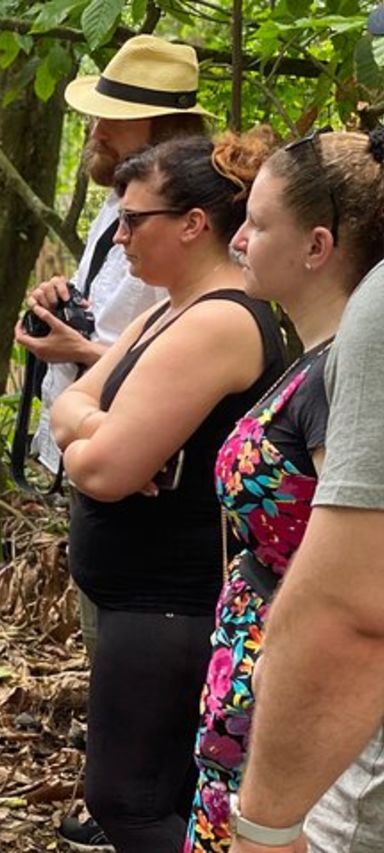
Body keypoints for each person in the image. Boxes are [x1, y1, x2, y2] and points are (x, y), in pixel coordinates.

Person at [52, 130, 285, 851]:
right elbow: (69, 404)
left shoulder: (218, 319)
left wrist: (96, 439)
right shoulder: (169, 308)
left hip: (169, 605)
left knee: (131, 801)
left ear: (192, 224)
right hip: (139, 598)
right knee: (151, 795)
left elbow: (103, 471)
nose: (119, 237)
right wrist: (101, 427)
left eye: (134, 221)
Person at [16, 36, 209, 850]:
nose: (94, 131)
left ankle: (146, 804)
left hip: (144, 501)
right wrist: (67, 306)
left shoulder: (194, 241)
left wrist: (82, 361)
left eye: (111, 119)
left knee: (147, 746)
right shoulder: (117, 205)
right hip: (100, 480)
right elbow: (128, 332)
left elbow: (172, 353)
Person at [184, 128, 384, 853]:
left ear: (318, 246)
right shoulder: (316, 360)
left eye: (258, 224)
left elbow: (351, 571)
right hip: (260, 660)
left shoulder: (342, 377)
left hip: (298, 690)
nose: (237, 239)